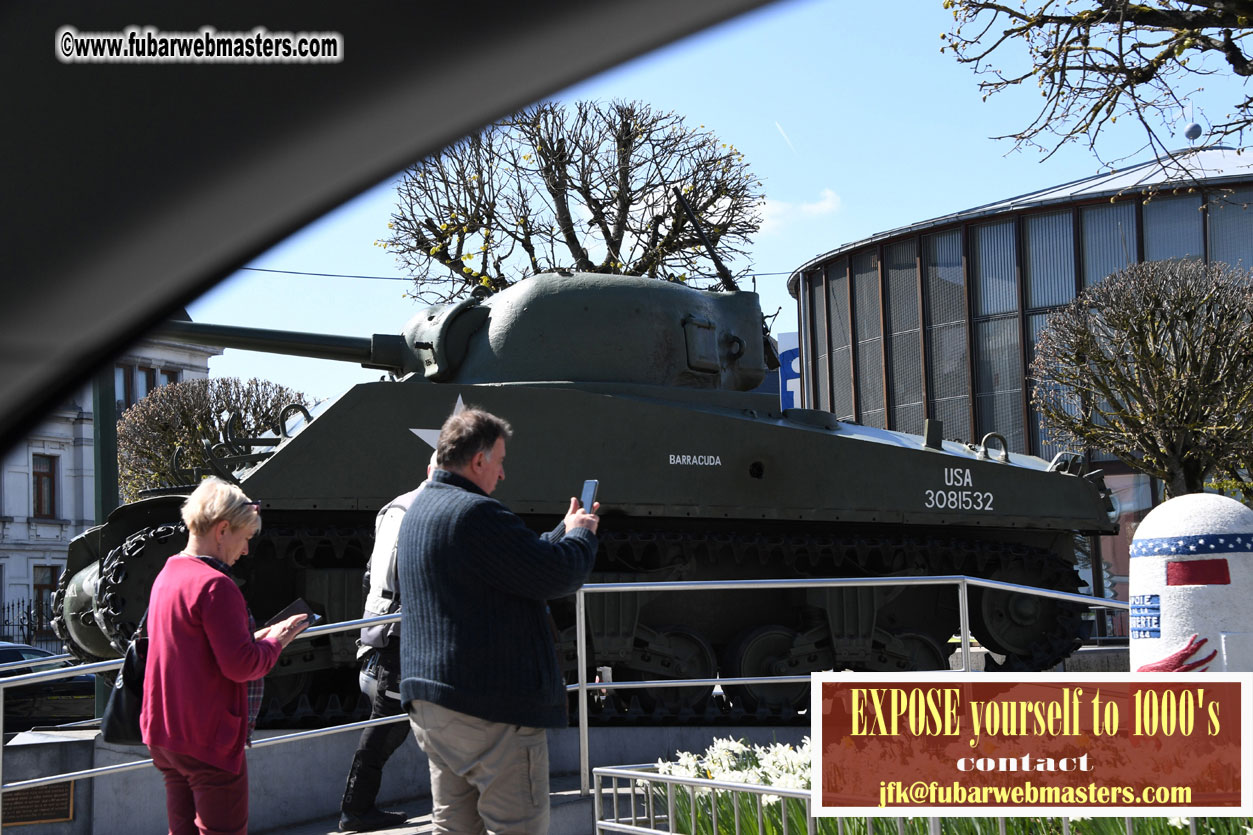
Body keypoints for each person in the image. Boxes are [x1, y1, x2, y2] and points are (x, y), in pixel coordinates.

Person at [398, 408, 599, 834]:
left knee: (453, 827)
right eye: (500, 461)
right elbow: (556, 575)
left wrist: (562, 531)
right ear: (478, 461)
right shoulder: (477, 513)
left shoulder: (420, 510)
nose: (503, 474)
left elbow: (515, 563)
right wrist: (582, 535)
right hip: (491, 708)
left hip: (435, 706)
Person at [141, 477, 310, 835]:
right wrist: (277, 640)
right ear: (222, 530)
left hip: (167, 734)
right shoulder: (216, 585)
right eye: (245, 538)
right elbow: (242, 666)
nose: (246, 550)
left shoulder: (169, 573)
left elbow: (193, 645)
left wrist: (254, 638)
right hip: (208, 738)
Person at [337, 452, 437, 833]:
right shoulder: (430, 512)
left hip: (386, 626)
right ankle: (355, 810)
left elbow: (370, 575)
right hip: (408, 635)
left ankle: (358, 809)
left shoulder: (394, 507)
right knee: (387, 725)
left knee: (392, 722)